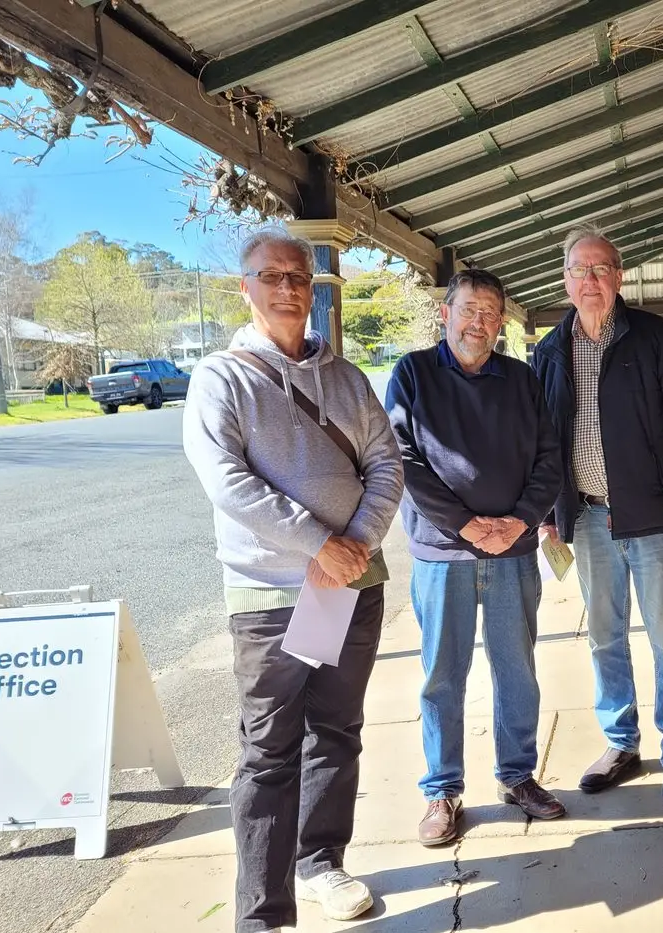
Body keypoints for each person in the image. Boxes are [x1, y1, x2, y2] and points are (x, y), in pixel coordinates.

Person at [182, 228, 404, 933]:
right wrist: (317, 543)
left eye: (298, 276)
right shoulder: (221, 378)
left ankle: (321, 862)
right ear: (243, 287)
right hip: (271, 599)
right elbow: (227, 480)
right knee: (269, 752)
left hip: (350, 588)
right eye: (270, 275)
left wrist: (356, 543)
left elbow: (387, 464)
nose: (286, 288)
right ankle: (264, 915)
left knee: (336, 730)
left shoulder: (345, 379)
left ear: (313, 288)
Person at [532, 224, 663, 810]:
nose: (590, 281)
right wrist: (545, 515)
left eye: (600, 269)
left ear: (619, 276)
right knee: (604, 637)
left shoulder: (656, 339)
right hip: (585, 519)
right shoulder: (548, 351)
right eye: (579, 271)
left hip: (657, 518)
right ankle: (620, 742)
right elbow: (540, 441)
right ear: (565, 280)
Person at [385, 269, 566, 846]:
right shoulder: (413, 373)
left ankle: (517, 776)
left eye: (490, 313)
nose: (479, 322)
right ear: (447, 313)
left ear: (502, 321)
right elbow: (403, 458)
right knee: (443, 674)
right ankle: (442, 790)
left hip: (512, 549)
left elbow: (549, 455)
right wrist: (464, 524)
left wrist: (519, 520)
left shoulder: (521, 378)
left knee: (517, 669)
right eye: (469, 310)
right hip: (442, 553)